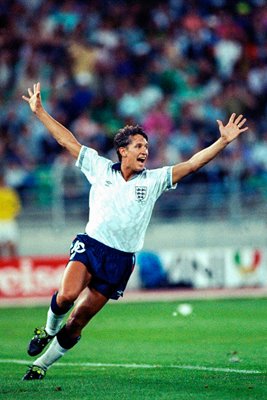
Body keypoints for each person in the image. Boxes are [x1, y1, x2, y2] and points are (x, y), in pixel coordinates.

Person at [21, 82, 248, 380]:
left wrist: (222, 142)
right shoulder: (99, 168)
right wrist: (39, 111)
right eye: (139, 146)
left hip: (121, 259)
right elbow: (67, 140)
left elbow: (192, 164)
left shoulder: (153, 180)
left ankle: (41, 366)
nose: (145, 150)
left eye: (146, 146)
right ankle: (47, 330)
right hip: (91, 246)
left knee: (78, 320)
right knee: (66, 295)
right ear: (122, 151)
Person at [0, 170, 21, 258]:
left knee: (13, 244)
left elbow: (17, 205)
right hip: (0, 221)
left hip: (9, 220)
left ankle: (14, 264)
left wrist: (15, 213)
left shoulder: (10, 192)